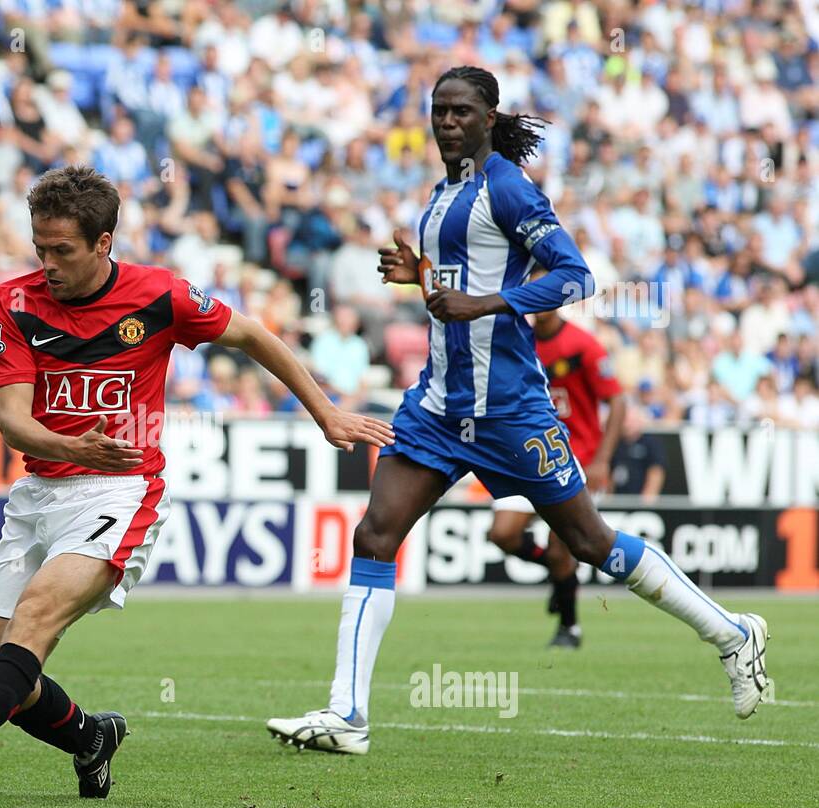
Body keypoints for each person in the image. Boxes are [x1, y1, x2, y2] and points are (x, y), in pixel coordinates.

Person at [266, 66, 771, 757]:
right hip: (440, 407)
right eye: (438, 111)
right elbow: (462, 283)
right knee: (375, 535)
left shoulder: (505, 185)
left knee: (591, 543)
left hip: (510, 412)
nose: (447, 121)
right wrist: (420, 274)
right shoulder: (443, 195)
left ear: (488, 117)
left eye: (461, 111)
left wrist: (486, 303)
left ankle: (734, 634)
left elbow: (575, 275)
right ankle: (347, 715)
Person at [0, 166, 393, 808]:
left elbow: (254, 334)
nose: (47, 263)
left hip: (119, 490)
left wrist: (325, 412)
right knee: (6, 680)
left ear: (103, 243)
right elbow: (12, 421)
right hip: (40, 494)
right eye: (39, 248)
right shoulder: (14, 302)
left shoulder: (160, 295)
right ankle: (92, 738)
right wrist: (71, 445)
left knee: (36, 618)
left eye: (62, 251)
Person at [487, 307, 626, 648]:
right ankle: (557, 574)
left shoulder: (583, 345)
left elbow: (618, 401)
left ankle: (569, 627)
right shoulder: (519, 339)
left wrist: (602, 461)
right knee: (502, 533)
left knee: (561, 543)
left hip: (576, 460)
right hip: (530, 455)